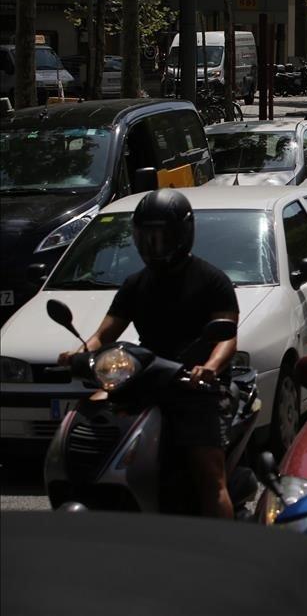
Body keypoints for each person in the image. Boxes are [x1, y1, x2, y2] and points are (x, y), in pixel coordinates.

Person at [59, 189, 239, 518]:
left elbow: (227, 337)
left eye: (160, 237)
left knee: (210, 479)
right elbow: (104, 334)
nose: (151, 246)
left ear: (183, 235)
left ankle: (223, 549)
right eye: (145, 237)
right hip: (147, 378)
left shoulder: (212, 281)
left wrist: (209, 367)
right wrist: (79, 353)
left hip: (193, 386)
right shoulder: (135, 284)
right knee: (95, 417)